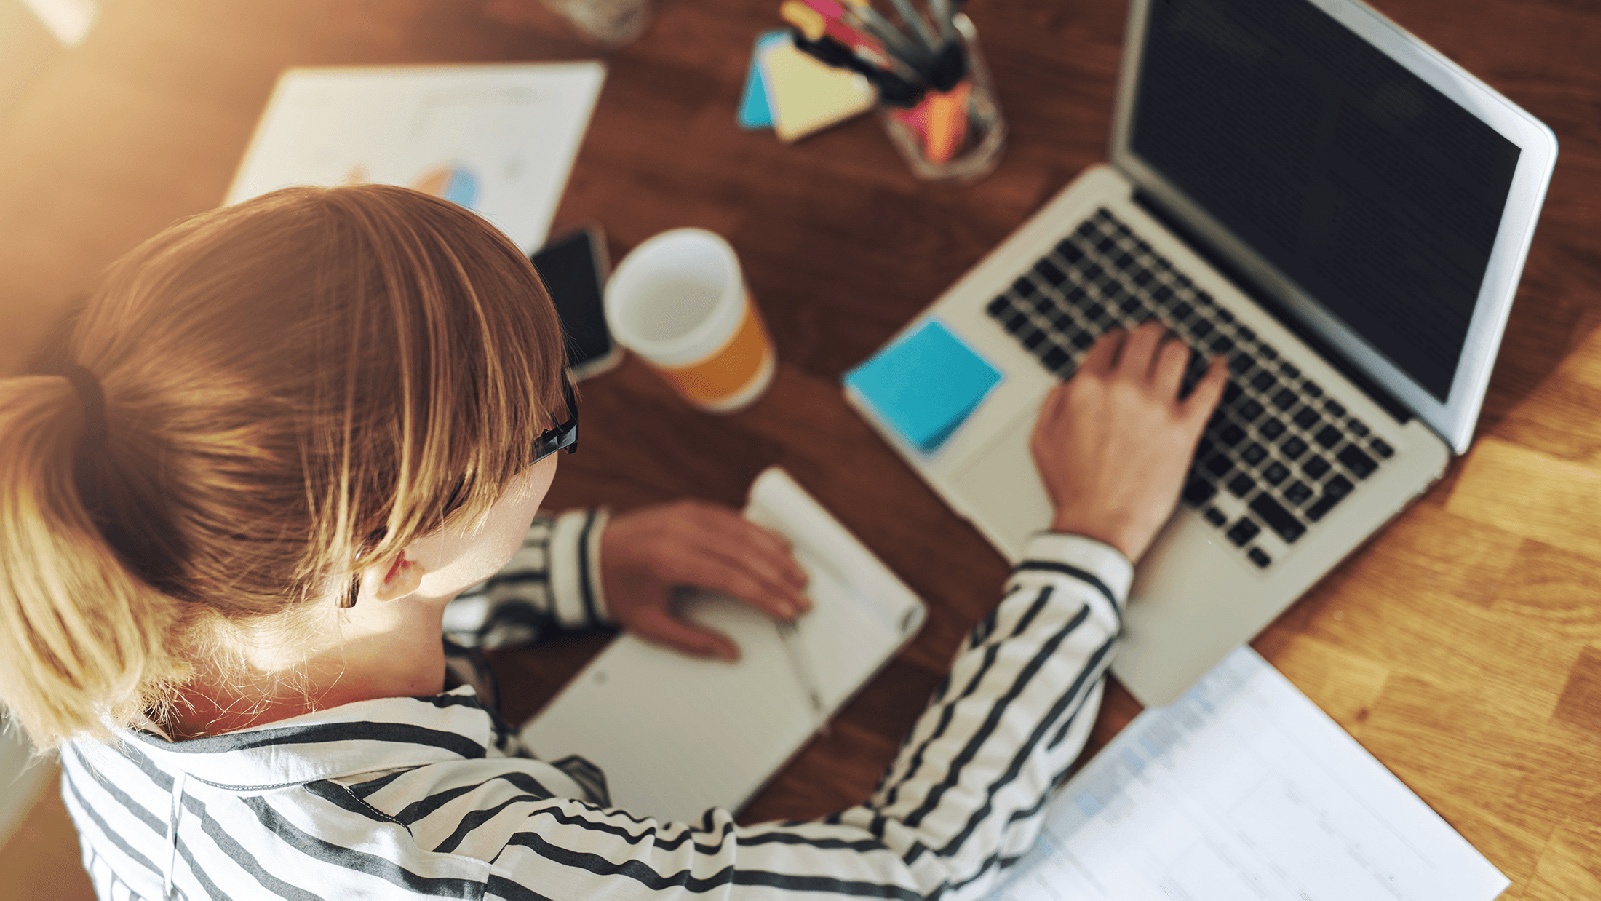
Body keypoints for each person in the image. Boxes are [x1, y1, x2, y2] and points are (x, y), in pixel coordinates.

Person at [0, 184, 1226, 901]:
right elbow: (914, 865)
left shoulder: (103, 592)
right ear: (394, 557)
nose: (564, 435)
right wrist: (1091, 534)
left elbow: (320, 608)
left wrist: (578, 561)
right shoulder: (477, 868)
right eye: (558, 425)